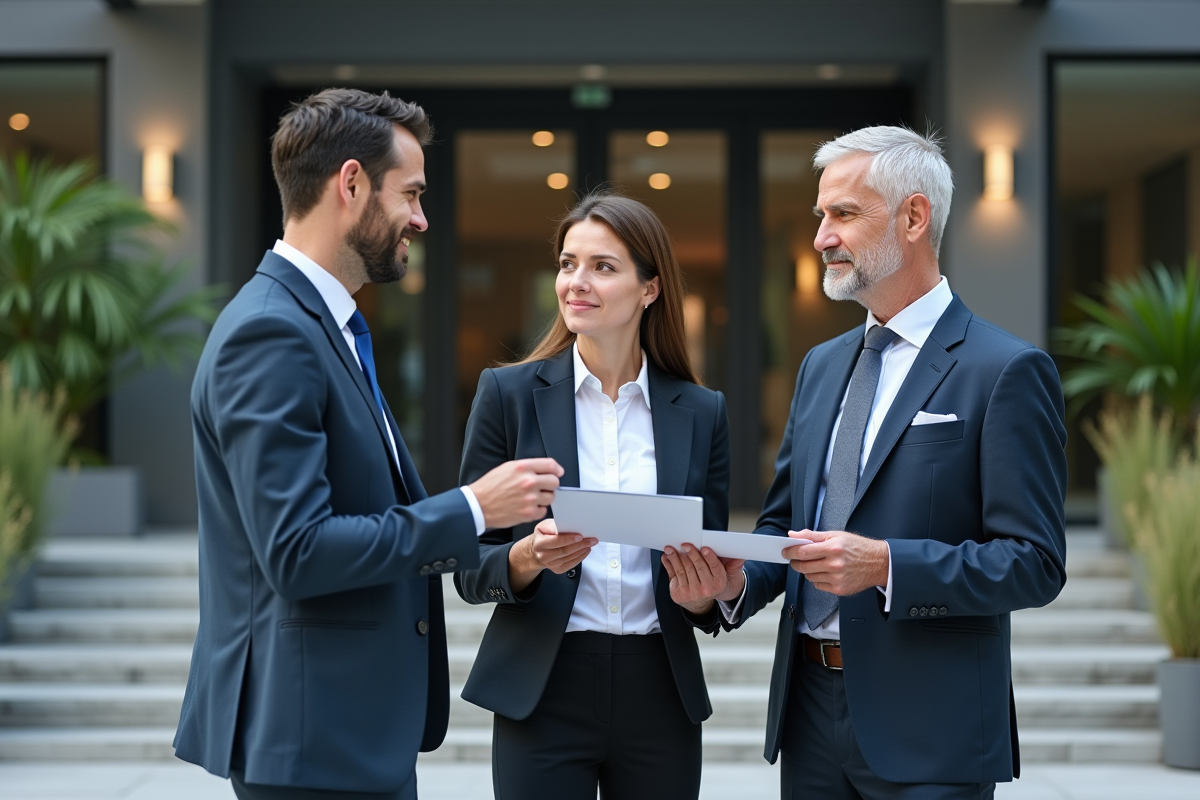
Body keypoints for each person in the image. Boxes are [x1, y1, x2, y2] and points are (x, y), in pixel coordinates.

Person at [173, 88, 563, 800]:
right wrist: (473, 508)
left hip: (340, 738)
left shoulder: (325, 326)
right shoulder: (273, 333)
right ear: (350, 184)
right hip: (311, 742)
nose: (421, 217)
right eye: (409, 194)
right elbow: (297, 552)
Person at [686, 127, 1068, 799]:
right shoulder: (820, 367)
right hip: (808, 719)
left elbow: (1035, 563)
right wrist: (730, 585)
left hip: (933, 731)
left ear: (913, 217)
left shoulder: (1005, 370)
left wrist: (887, 565)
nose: (821, 237)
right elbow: (785, 527)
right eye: (820, 216)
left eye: (843, 214)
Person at [454, 192, 740, 800]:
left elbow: (705, 573)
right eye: (566, 264)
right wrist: (528, 558)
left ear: (650, 288)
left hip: (660, 689)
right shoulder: (506, 395)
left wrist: (701, 596)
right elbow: (468, 566)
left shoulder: (702, 412)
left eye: (602, 267)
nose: (575, 283)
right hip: (543, 685)